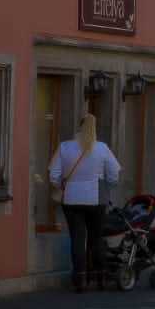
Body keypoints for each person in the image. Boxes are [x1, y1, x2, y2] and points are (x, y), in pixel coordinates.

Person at [49, 112, 121, 293]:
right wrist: (107, 186)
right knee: (96, 238)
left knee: (77, 239)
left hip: (72, 198)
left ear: (79, 127)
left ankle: (80, 278)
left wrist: (64, 185)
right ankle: (100, 276)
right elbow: (114, 174)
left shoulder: (65, 147)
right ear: (94, 129)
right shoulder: (102, 148)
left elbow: (53, 175)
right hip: (97, 197)